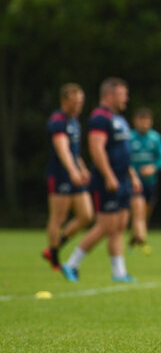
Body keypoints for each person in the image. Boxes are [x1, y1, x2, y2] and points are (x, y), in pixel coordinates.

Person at [61, 78, 142, 283]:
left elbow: (122, 152)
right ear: (110, 95)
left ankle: (119, 273)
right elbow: (97, 149)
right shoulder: (99, 117)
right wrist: (108, 176)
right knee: (106, 225)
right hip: (108, 180)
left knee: (119, 226)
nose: (126, 98)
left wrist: (132, 175)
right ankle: (71, 264)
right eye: (123, 94)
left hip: (122, 179)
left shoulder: (119, 119)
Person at [42, 83, 94, 271]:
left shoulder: (74, 121)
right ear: (65, 100)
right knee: (59, 217)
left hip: (74, 173)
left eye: (81, 101)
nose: (79, 105)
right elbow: (62, 148)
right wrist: (72, 171)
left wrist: (82, 168)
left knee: (87, 215)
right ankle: (55, 261)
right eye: (76, 101)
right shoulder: (58, 120)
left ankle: (54, 247)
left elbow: (74, 151)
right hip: (60, 175)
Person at [128, 107, 161, 254]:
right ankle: (143, 242)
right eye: (141, 120)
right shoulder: (129, 137)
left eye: (147, 121)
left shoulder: (155, 138)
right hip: (133, 183)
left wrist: (153, 167)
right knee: (138, 212)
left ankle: (134, 239)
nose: (144, 124)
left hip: (151, 182)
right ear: (135, 121)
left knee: (145, 214)